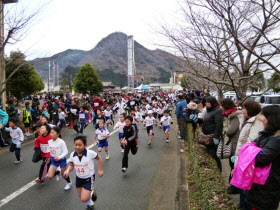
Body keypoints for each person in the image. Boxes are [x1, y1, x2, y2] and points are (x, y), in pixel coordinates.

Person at [244, 105, 280, 210]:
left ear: (271, 119)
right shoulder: (266, 136)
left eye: (264, 116)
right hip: (259, 186)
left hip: (267, 187)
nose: (262, 120)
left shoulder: (276, 140)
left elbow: (260, 158)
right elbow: (247, 149)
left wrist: (250, 152)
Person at [232, 100, 263, 207]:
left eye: (244, 108)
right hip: (241, 157)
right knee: (242, 184)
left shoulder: (256, 123)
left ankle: (245, 205)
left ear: (250, 109)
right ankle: (242, 204)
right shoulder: (246, 120)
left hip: (246, 159)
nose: (242, 110)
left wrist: (241, 157)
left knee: (246, 185)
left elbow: (251, 142)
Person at [64, 135, 103, 209]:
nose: (77, 147)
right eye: (75, 145)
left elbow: (99, 158)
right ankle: (90, 204)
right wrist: (67, 170)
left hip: (89, 177)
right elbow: (71, 165)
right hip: (79, 178)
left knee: (84, 198)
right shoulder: (72, 154)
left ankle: (91, 192)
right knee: (80, 196)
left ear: (85, 145)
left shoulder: (90, 153)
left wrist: (100, 170)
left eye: (80, 145)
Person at [220, 98, 242, 193]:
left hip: (235, 143)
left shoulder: (234, 116)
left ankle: (235, 186)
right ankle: (233, 184)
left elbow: (230, 131)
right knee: (232, 164)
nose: (221, 107)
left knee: (234, 165)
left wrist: (225, 130)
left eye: (222, 105)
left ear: (226, 106)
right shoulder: (231, 115)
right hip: (233, 142)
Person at [201, 96, 223, 171]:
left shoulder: (217, 111)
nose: (206, 104)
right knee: (210, 153)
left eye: (208, 102)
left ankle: (218, 170)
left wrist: (216, 137)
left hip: (212, 137)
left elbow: (219, 125)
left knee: (215, 155)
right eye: (206, 102)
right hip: (207, 136)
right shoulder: (209, 110)